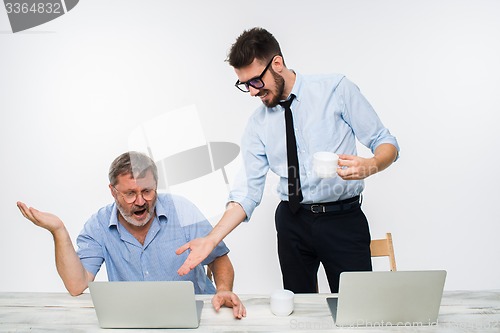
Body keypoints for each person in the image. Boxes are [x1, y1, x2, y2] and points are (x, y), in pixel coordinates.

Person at [177, 27, 400, 294]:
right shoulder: (257, 125)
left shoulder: (336, 90)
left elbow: (386, 142)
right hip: (292, 222)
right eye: (244, 85)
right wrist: (212, 239)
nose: (251, 92)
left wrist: (370, 165)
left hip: (343, 219)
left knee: (358, 306)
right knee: (299, 309)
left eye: (255, 81)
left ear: (277, 64)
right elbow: (247, 192)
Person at [17, 151, 246, 319]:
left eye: (147, 191)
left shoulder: (182, 210)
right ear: (113, 192)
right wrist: (58, 231)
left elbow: (218, 258)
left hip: (198, 315)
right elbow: (76, 285)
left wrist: (224, 290)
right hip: (135, 320)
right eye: (129, 194)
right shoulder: (98, 226)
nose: (140, 202)